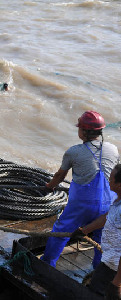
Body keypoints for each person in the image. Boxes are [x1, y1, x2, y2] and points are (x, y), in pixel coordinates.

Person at [40, 111, 119, 269]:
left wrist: (49, 186)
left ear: (83, 132)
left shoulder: (73, 152)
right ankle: (97, 271)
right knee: (101, 238)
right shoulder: (113, 149)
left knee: (61, 231)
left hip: (81, 206)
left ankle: (47, 264)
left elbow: (60, 176)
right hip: (107, 205)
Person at [71, 164, 121, 299]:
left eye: (111, 179)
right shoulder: (117, 200)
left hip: (114, 267)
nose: (108, 181)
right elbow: (107, 217)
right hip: (109, 260)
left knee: (96, 292)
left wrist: (117, 282)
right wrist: (85, 230)